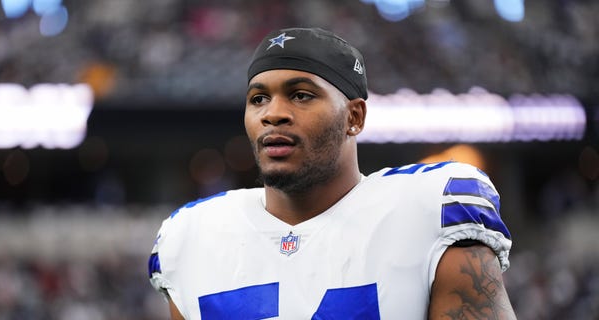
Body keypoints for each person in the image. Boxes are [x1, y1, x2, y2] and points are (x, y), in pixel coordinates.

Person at [148, 27, 516, 319]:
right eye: (258, 98)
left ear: (353, 118)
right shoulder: (191, 237)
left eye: (301, 95)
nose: (272, 113)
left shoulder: (431, 210)